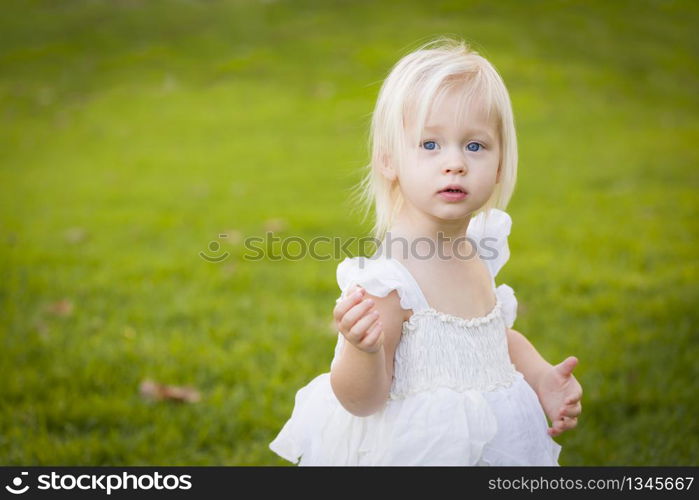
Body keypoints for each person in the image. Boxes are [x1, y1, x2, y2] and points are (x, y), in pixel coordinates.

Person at [269, 36, 582, 465]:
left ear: (500, 165)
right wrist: (362, 350)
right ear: (389, 161)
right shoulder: (391, 281)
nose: (454, 162)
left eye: (475, 146)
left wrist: (542, 375)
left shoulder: (480, 250)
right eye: (430, 145)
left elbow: (490, 341)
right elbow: (362, 401)